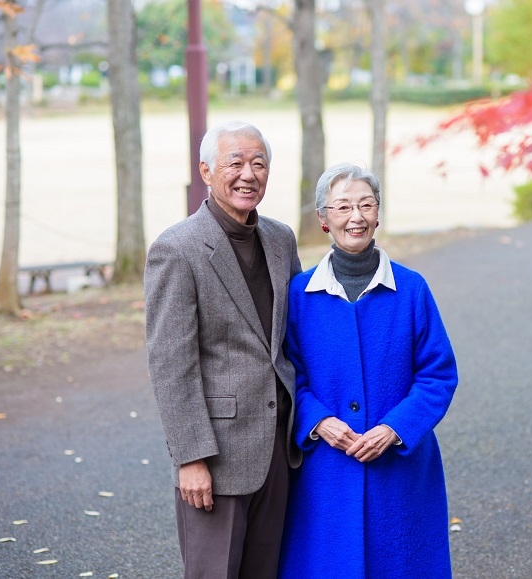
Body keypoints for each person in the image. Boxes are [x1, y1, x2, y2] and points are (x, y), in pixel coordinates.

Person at [277, 163, 459, 578]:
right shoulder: (300, 295)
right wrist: (319, 421)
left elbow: (438, 375)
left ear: (379, 214)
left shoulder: (412, 289)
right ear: (323, 220)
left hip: (400, 469)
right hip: (327, 469)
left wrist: (394, 428)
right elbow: (289, 374)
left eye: (365, 204)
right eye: (341, 207)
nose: (355, 217)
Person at [145, 120, 302, 578]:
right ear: (207, 171)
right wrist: (190, 458)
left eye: (259, 163)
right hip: (217, 455)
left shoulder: (280, 239)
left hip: (278, 447)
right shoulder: (177, 249)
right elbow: (171, 363)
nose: (248, 174)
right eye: (235, 163)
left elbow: (292, 336)